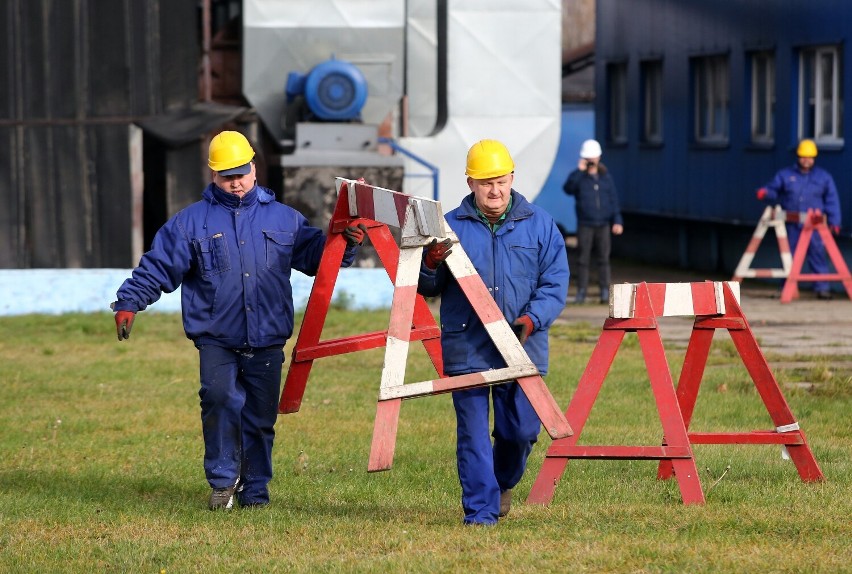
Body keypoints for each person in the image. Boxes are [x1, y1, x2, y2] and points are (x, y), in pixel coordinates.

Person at [111, 130, 367, 510]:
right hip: (216, 338)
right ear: (213, 175)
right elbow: (160, 265)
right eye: (227, 175)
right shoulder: (189, 223)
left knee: (260, 419)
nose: (236, 181)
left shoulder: (286, 219)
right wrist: (130, 301)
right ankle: (222, 481)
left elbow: (317, 255)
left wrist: (345, 240)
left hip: (267, 339)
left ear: (254, 168)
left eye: (242, 172)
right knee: (219, 400)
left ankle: (256, 492)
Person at [417, 139, 569, 526]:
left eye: (500, 181)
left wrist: (530, 322)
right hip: (468, 344)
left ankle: (502, 484)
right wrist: (430, 265)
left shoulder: (540, 224)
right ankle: (480, 514)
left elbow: (554, 284)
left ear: (512, 178)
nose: (495, 190)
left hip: (524, 345)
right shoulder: (448, 226)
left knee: (519, 431)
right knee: (472, 435)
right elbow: (427, 287)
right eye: (485, 183)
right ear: (470, 183)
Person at [757, 138, 842, 300]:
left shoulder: (824, 177)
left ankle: (822, 288)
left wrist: (835, 221)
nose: (806, 160)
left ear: (814, 158)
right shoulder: (785, 175)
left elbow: (832, 200)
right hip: (793, 225)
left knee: (817, 254)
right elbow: (774, 190)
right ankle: (786, 288)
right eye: (803, 156)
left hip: (816, 227)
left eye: (810, 157)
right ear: (798, 156)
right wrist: (765, 193)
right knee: (789, 256)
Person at [563, 138, 624, 304]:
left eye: (593, 158)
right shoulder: (579, 177)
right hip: (585, 224)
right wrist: (578, 171)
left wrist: (617, 220)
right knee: (583, 259)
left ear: (598, 158)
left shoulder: (605, 177)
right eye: (588, 159)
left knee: (603, 259)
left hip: (603, 224)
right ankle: (581, 291)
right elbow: (568, 189)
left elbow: (613, 200)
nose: (591, 162)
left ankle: (604, 291)